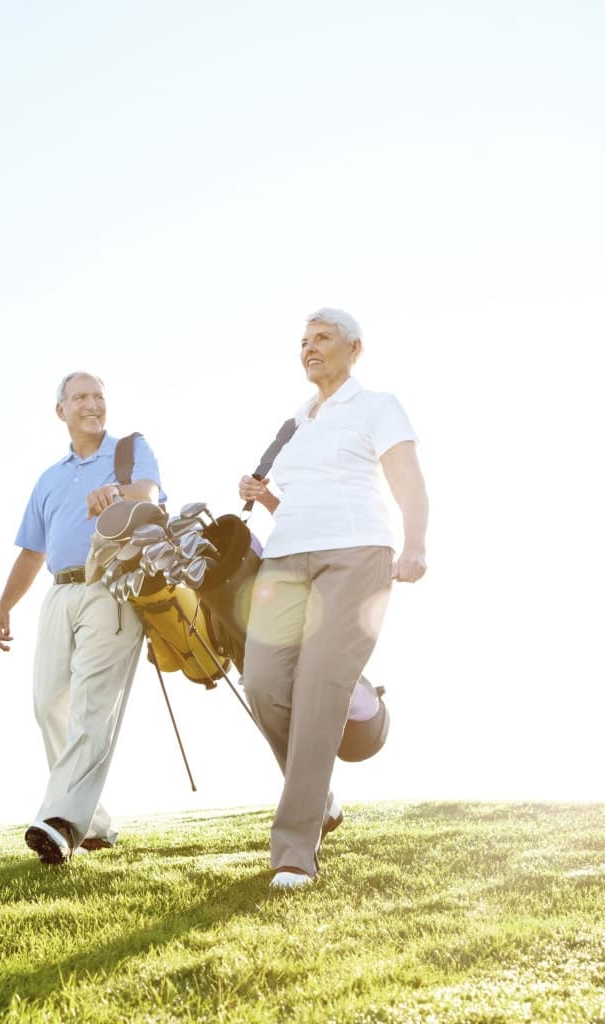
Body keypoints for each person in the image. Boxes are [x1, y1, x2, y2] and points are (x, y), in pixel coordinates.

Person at [236, 309, 428, 890]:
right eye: (303, 341)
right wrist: (268, 500)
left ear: (354, 348)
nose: (309, 348)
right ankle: (320, 799)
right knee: (264, 684)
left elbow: (408, 481)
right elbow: (301, 501)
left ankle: (294, 852)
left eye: (321, 338)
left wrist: (415, 543)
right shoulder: (295, 423)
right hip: (287, 556)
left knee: (319, 686)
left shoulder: (377, 406)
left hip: (357, 555)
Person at [0, 373, 164, 864]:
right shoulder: (49, 479)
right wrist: (4, 606)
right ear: (60, 411)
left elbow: (147, 498)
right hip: (58, 592)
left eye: (99, 396)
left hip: (112, 586)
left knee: (91, 704)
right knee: (48, 704)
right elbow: (31, 551)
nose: (92, 404)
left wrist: (115, 493)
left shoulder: (130, 451)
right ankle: (96, 822)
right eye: (81, 397)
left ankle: (61, 821)